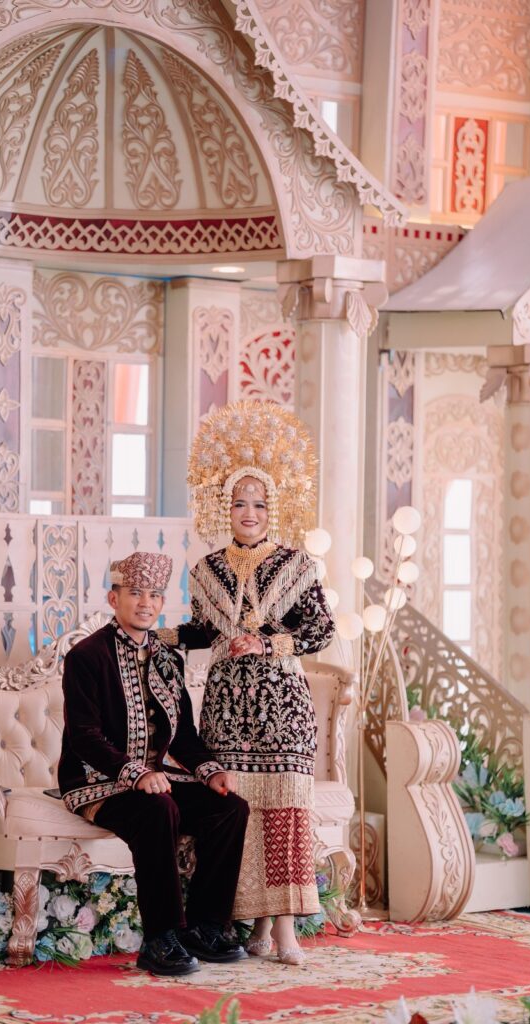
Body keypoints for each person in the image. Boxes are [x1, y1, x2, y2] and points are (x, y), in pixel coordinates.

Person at [158, 401, 336, 965]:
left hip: (282, 707)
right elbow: (206, 631)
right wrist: (158, 636)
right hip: (228, 707)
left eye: (259, 503)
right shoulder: (205, 570)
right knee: (241, 815)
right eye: (239, 502)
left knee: (285, 812)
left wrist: (267, 643)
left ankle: (284, 929)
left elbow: (321, 629)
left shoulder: (297, 565)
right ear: (224, 507)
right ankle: (252, 928)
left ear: (273, 508)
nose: (249, 512)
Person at [58, 551, 249, 976]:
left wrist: (211, 771)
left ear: (162, 602)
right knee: (159, 810)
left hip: (154, 780)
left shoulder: (167, 659)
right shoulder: (86, 656)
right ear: (114, 598)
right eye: (135, 593)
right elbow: (84, 736)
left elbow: (182, 735)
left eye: (155, 595)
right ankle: (160, 938)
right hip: (96, 780)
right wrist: (136, 773)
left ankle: (204, 927)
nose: (146, 602)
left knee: (229, 808)